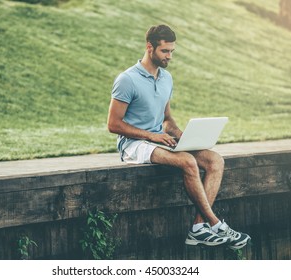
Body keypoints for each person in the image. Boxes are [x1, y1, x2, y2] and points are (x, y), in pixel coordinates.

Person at [107, 24, 251, 249]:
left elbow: (167, 119)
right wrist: (151, 136)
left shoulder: (166, 79)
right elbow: (114, 124)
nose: (170, 56)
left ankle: (198, 228)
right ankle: (216, 224)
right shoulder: (127, 79)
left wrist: (184, 136)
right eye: (165, 51)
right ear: (149, 47)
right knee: (187, 161)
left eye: (172, 51)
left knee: (215, 160)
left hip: (158, 140)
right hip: (133, 145)